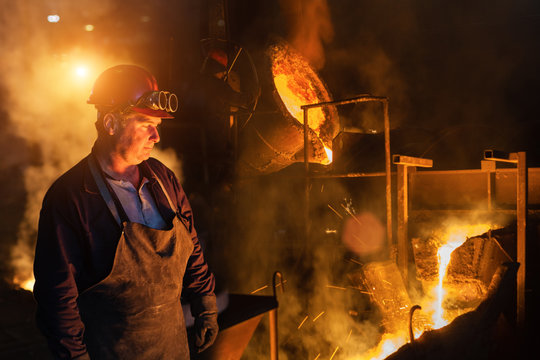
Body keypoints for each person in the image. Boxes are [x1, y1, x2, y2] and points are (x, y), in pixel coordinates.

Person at [33, 64, 218, 359]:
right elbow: (57, 298)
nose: (156, 137)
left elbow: (191, 245)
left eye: (158, 126)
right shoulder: (71, 197)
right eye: (145, 124)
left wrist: (205, 303)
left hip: (173, 348)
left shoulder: (163, 179)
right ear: (110, 123)